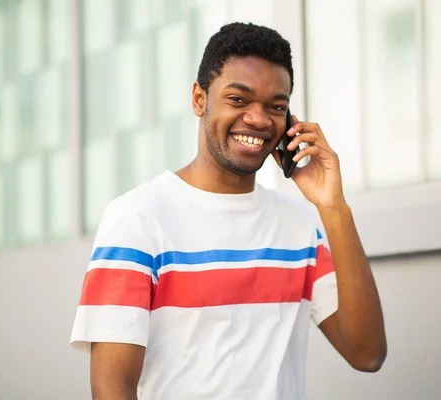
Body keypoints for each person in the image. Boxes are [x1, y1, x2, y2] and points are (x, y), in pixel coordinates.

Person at [70, 22, 387, 400]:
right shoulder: (137, 218)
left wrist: (333, 206)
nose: (258, 118)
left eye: (277, 106)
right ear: (199, 99)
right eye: (239, 99)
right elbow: (112, 387)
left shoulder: (300, 225)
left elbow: (366, 353)